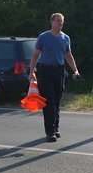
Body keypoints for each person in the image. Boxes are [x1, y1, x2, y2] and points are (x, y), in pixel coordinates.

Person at [29, 13, 81, 142]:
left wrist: (75, 71)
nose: (60, 23)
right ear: (52, 22)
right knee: (49, 102)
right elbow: (35, 55)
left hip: (59, 71)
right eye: (58, 21)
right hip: (46, 71)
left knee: (57, 101)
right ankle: (50, 132)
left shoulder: (65, 38)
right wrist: (31, 72)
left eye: (62, 21)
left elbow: (68, 55)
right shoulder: (44, 37)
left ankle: (56, 128)